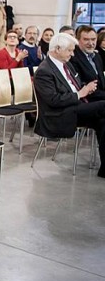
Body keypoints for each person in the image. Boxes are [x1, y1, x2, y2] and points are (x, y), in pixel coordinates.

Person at [33, 33, 105, 179]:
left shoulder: (66, 64)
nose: (72, 54)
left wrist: (86, 88)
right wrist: (80, 94)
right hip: (61, 113)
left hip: (77, 106)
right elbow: (53, 100)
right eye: (70, 50)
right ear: (57, 49)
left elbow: (75, 85)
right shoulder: (44, 71)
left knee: (103, 121)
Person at [70, 25, 105, 102]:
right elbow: (81, 86)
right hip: (87, 100)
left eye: (93, 39)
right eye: (86, 39)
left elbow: (102, 82)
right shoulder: (72, 58)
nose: (91, 43)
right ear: (78, 40)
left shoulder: (97, 56)